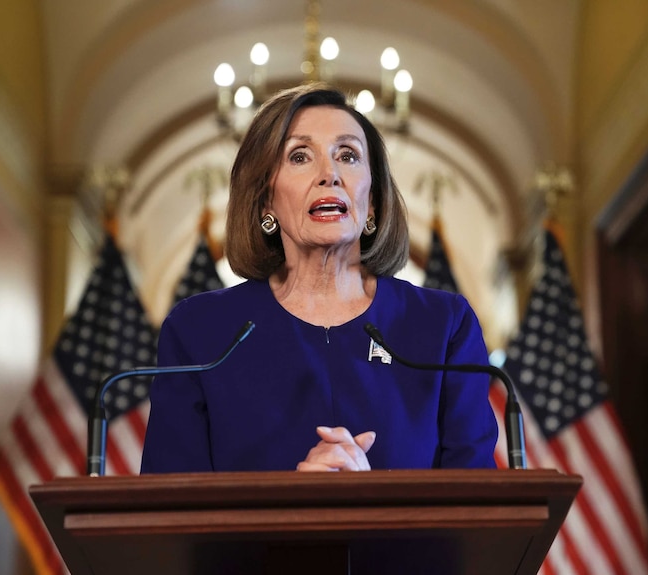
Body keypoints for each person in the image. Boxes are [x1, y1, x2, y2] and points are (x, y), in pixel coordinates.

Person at [140, 83, 498, 473]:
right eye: (299, 156)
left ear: (373, 200)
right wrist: (295, 508)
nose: (329, 174)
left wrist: (372, 504)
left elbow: (478, 509)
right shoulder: (200, 332)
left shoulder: (444, 326)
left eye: (348, 155)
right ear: (265, 200)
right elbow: (170, 514)